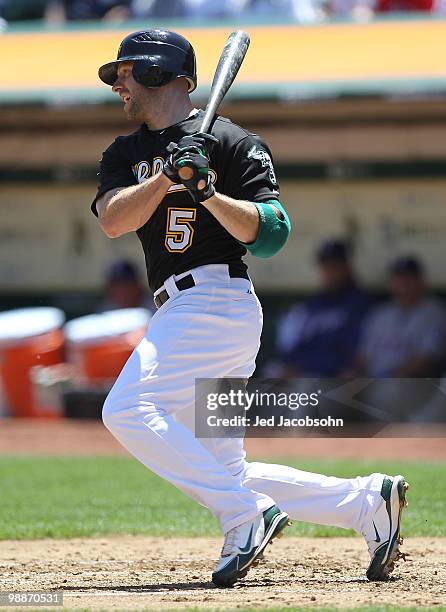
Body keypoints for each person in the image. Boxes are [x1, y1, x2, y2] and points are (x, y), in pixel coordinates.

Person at [92, 29, 408, 587]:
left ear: (162, 73)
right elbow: (115, 220)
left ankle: (245, 514)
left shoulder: (233, 142)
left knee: (126, 408)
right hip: (177, 310)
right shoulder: (126, 152)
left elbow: (271, 235)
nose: (118, 83)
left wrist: (208, 190)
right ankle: (366, 503)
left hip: (217, 300)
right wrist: (169, 174)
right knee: (226, 468)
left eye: (127, 71)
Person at [276, 239, 372, 377]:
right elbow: (298, 345)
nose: (328, 273)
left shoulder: (360, 304)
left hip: (336, 377)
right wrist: (292, 365)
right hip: (305, 373)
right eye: (325, 267)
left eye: (333, 266)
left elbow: (357, 353)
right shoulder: (314, 304)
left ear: (347, 268)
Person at [355, 256, 446, 378]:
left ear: (421, 280)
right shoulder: (379, 314)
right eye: (398, 278)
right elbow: (364, 356)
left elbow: (427, 359)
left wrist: (392, 378)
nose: (403, 283)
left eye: (409, 277)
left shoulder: (435, 312)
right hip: (373, 380)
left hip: (409, 383)